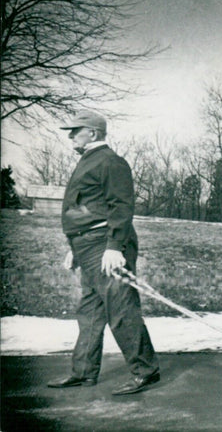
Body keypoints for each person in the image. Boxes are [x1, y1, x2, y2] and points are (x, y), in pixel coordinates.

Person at [47, 110, 160, 395]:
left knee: (120, 308)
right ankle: (83, 372)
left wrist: (114, 246)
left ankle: (145, 371)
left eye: (76, 130)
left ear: (93, 133)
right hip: (87, 245)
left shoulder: (111, 161)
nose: (71, 135)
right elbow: (84, 207)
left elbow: (120, 206)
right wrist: (74, 247)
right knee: (90, 311)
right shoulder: (89, 161)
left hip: (104, 243)